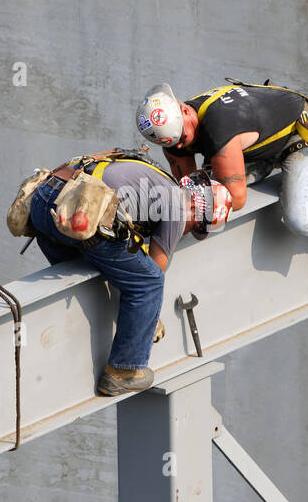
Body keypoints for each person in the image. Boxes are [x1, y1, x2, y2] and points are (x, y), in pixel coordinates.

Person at [29, 150, 231, 396]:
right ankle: (123, 372)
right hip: (79, 213)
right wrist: (150, 319)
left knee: (94, 272)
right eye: (196, 226)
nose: (187, 232)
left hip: (43, 203)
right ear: (197, 208)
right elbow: (153, 271)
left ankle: (66, 352)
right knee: (150, 283)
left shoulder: (154, 178)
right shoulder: (178, 205)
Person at [136, 81, 308, 268]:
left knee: (299, 217)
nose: (178, 148)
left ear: (184, 110)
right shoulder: (175, 136)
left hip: (299, 133)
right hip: (255, 145)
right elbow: (187, 190)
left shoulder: (218, 128)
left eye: (183, 139)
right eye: (172, 144)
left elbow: (236, 198)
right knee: (207, 191)